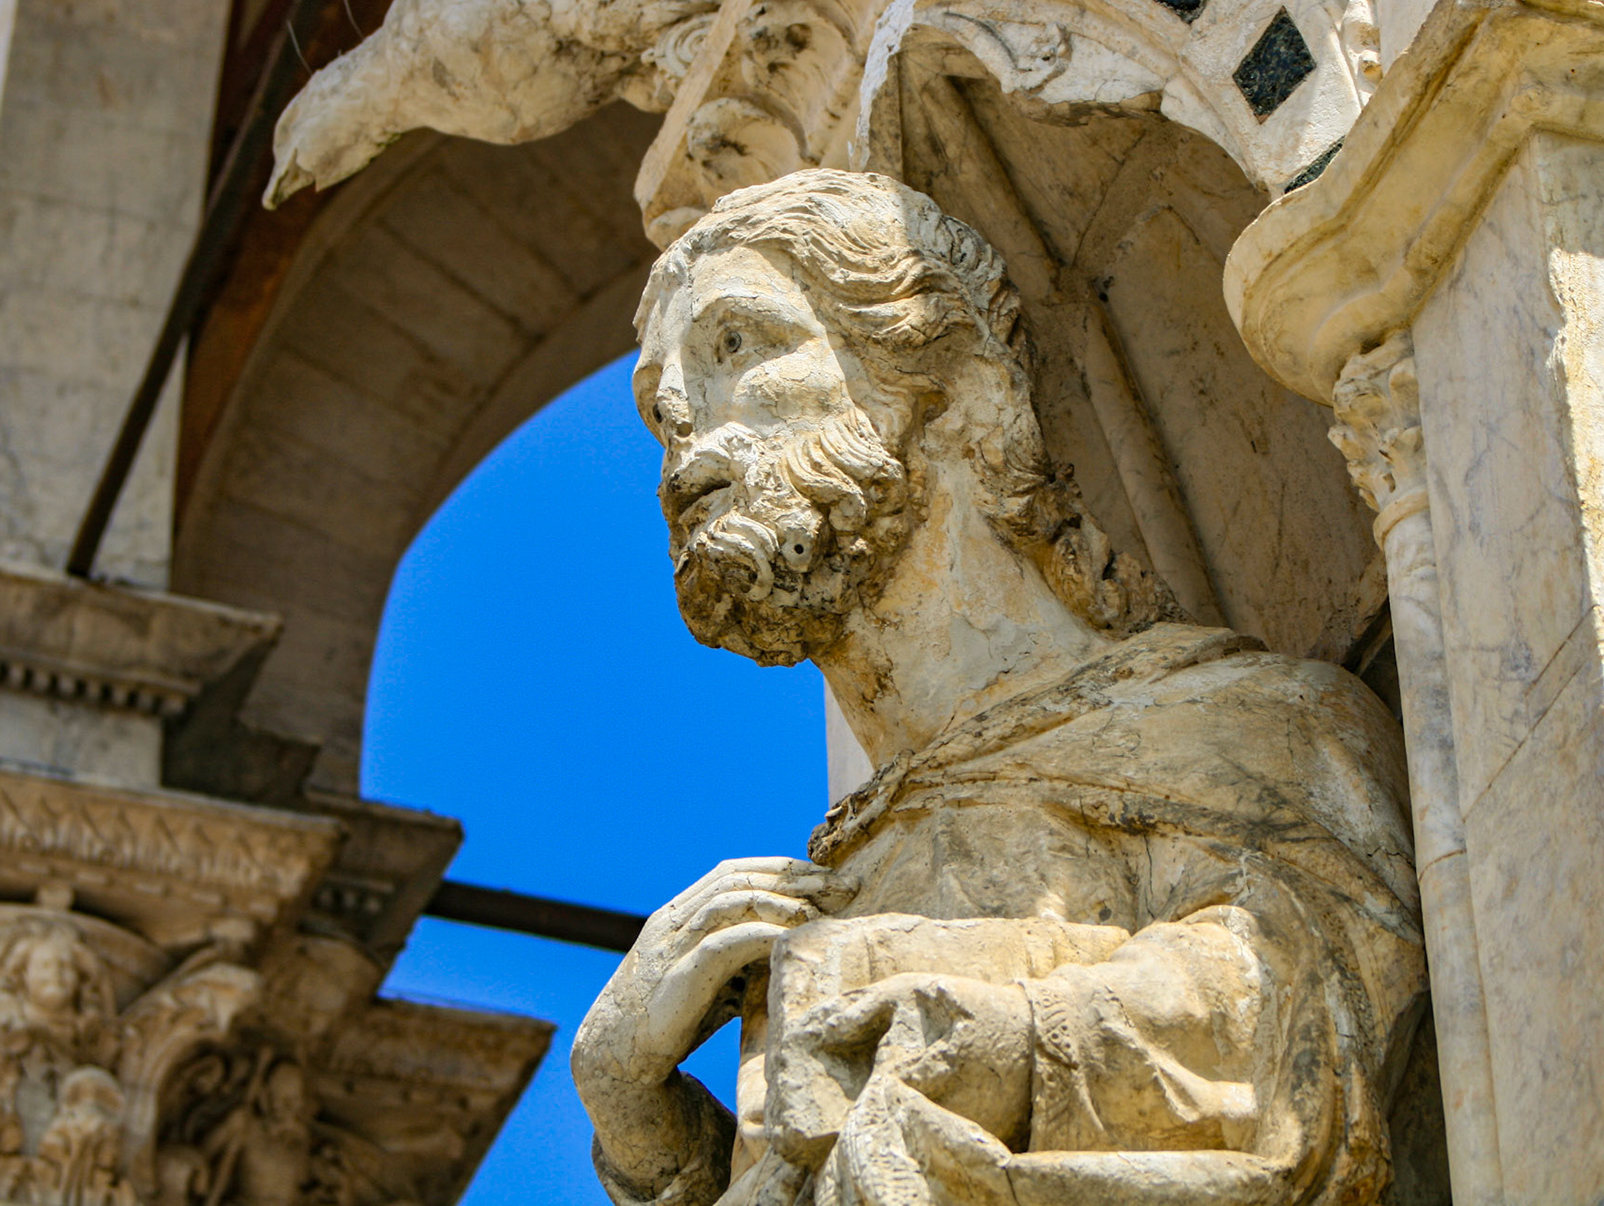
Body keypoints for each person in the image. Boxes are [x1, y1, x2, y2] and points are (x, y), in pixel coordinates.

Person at [572, 169, 1425, 1206]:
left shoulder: (1241, 730)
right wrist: (635, 1112)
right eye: (660, 405)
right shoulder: (821, 887)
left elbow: (1298, 1048)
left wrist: (994, 1039)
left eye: (738, 344)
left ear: (957, 385)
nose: (679, 423)